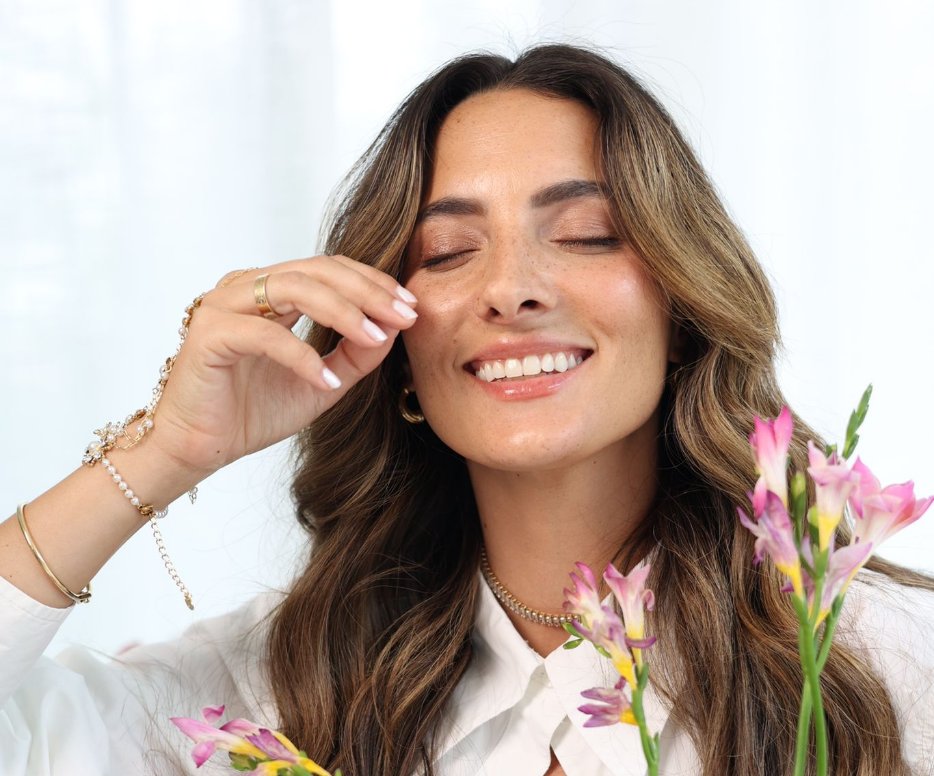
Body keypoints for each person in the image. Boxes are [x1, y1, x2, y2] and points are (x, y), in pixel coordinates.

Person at [1, 44, 932, 776]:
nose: (513, 288)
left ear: (683, 314)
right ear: (395, 354)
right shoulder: (280, 692)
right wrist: (169, 450)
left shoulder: (876, 668)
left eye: (586, 235)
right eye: (444, 253)